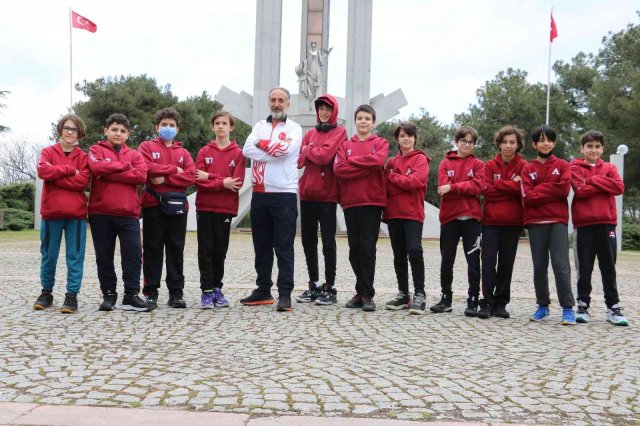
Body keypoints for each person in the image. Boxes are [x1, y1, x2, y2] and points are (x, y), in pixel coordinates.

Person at [240, 87, 303, 312]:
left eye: (281, 100)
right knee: (262, 245)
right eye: (273, 99)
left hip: (284, 193)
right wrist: (267, 149)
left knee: (284, 246)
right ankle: (263, 289)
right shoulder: (259, 126)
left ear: (288, 104)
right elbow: (247, 149)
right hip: (260, 193)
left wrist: (262, 146)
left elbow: (284, 151)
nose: (277, 104)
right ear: (269, 101)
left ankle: (284, 294)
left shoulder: (295, 128)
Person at [88, 113, 154, 312]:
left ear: (128, 135)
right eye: (114, 129)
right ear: (106, 130)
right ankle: (109, 294)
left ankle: (131, 295)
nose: (118, 133)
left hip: (129, 214)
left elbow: (141, 176)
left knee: (133, 255)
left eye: (123, 131)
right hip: (101, 213)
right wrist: (125, 168)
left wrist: (109, 172)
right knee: (104, 256)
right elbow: (97, 167)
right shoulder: (95, 149)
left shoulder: (135, 155)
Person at [138, 107, 195, 309]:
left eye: (172, 125)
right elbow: (145, 169)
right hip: (153, 204)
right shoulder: (146, 146)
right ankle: (150, 291)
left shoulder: (184, 152)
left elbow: (190, 176)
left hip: (178, 206)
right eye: (164, 124)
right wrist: (174, 170)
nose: (168, 128)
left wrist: (164, 177)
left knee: (176, 248)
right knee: (152, 248)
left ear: (177, 129)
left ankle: (176, 292)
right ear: (157, 126)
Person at [33, 114, 90, 313]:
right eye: (66, 128)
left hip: (76, 215)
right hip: (51, 213)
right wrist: (68, 170)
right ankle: (46, 293)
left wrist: (55, 175)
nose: (69, 132)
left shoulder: (83, 157)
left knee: (75, 256)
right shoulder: (48, 151)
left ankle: (71, 296)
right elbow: (42, 171)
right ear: (60, 130)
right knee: (49, 255)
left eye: (74, 129)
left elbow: (82, 182)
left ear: (79, 133)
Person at [334, 104, 389, 312]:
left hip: (372, 202)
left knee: (367, 249)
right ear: (355, 121)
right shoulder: (346, 144)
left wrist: (353, 162)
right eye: (360, 118)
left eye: (367, 118)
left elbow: (378, 162)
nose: (363, 122)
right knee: (354, 250)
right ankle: (360, 290)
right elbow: (339, 169)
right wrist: (363, 166)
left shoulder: (380, 142)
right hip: (350, 202)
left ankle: (367, 294)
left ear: (373, 122)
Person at [570, 130, 627, 326]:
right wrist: (604, 184)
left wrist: (592, 179)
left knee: (608, 268)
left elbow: (619, 188)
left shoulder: (610, 167)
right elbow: (581, 190)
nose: (593, 150)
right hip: (584, 224)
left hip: (607, 223)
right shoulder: (575, 166)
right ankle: (583, 306)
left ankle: (613, 308)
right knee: (584, 268)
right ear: (582, 148)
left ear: (602, 148)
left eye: (597, 146)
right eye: (589, 146)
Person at [295, 94, 347, 306]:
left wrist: (310, 152)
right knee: (308, 241)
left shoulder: (340, 132)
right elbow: (299, 160)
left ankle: (330, 286)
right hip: (307, 194)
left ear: (333, 111)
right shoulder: (309, 133)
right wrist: (313, 152)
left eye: (327, 109)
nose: (324, 112)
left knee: (328, 243)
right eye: (321, 109)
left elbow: (326, 158)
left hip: (327, 195)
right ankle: (314, 284)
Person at [521, 125, 575, 324]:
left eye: (549, 140)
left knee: (561, 266)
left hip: (557, 221)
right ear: (534, 144)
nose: (546, 143)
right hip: (535, 223)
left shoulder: (562, 165)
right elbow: (528, 196)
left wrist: (540, 188)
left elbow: (564, 190)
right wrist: (550, 189)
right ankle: (542, 305)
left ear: (554, 143)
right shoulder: (527, 168)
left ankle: (568, 308)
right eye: (541, 140)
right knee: (539, 266)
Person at [430, 126, 484, 316]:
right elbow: (442, 187)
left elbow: (477, 187)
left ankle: (472, 299)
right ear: (456, 142)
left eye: (470, 142)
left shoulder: (478, 164)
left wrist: (452, 188)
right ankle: (446, 298)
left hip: (472, 219)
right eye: (463, 141)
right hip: (449, 218)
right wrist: (461, 187)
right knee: (447, 261)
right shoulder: (445, 163)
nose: (467, 144)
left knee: (473, 262)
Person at [195, 111, 245, 309]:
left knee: (220, 251)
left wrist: (211, 177)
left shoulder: (238, 153)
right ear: (212, 127)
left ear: (231, 127)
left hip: (225, 209)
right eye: (217, 123)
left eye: (224, 123)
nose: (221, 126)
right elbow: (198, 181)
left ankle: (217, 288)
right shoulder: (203, 152)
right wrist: (222, 181)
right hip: (205, 207)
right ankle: (206, 291)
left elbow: (237, 183)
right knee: (205, 250)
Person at [478, 126, 527, 319]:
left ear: (518, 145)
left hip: (513, 223)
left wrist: (501, 186)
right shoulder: (489, 165)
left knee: (507, 264)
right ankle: (486, 302)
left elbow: (522, 191)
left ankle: (501, 303)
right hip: (490, 222)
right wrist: (511, 185)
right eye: (505, 142)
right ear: (499, 143)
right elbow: (486, 190)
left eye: (512, 142)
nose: (508, 146)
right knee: (488, 262)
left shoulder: (524, 166)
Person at [382, 122, 430, 314]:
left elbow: (416, 182)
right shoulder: (391, 162)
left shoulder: (420, 159)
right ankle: (403, 293)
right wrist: (402, 181)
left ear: (415, 138)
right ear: (397, 139)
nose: (406, 138)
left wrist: (395, 178)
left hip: (412, 213)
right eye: (402, 135)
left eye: (410, 135)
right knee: (399, 255)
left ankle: (420, 294)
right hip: (394, 213)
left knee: (414, 251)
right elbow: (386, 186)